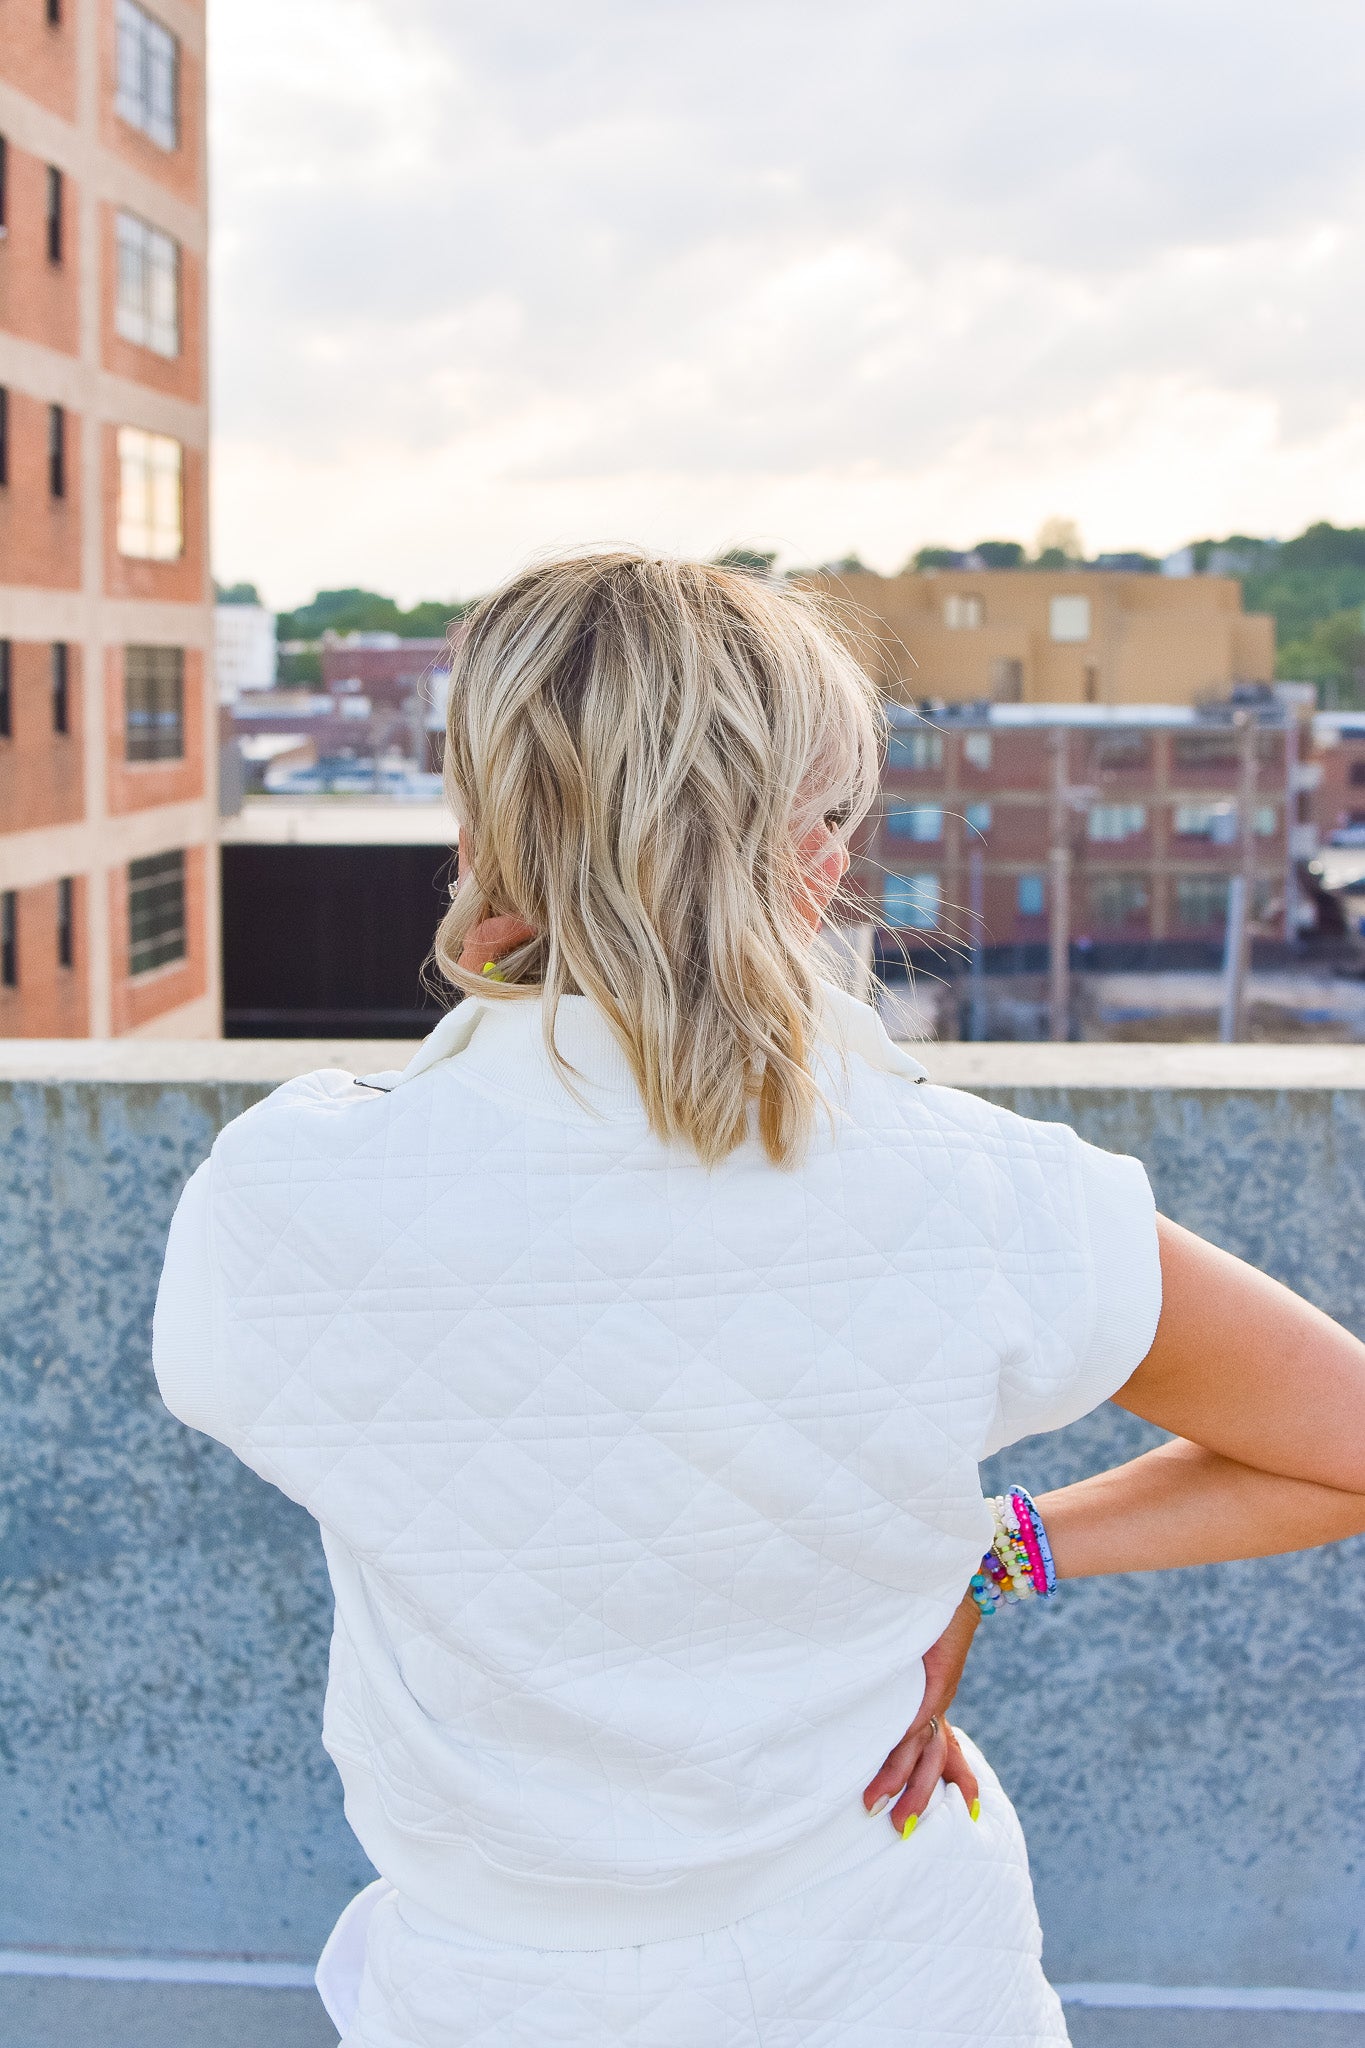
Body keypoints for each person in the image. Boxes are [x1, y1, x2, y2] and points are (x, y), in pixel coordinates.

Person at [153, 551, 1365, 2048]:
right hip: (904, 1981)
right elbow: (1343, 1441)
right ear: (811, 856)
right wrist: (989, 1556)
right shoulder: (976, 1191)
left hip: (491, 1999)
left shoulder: (278, 1199)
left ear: (478, 834)